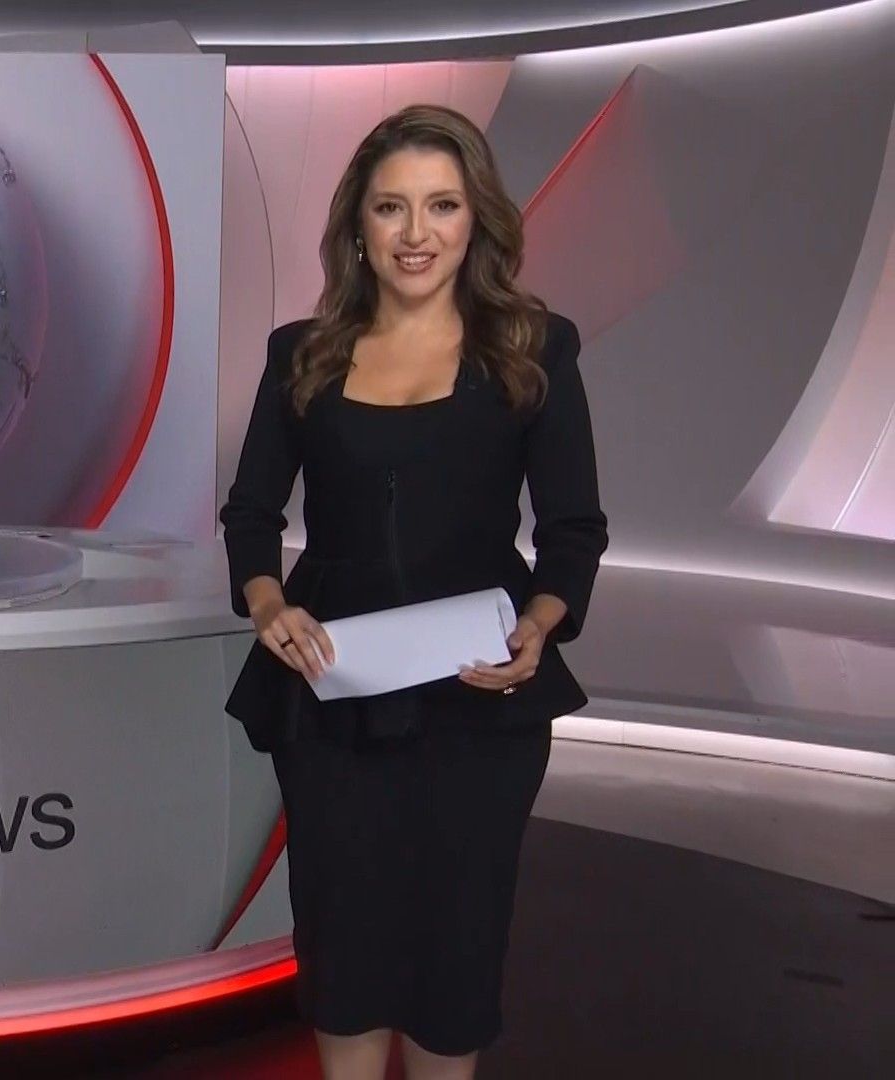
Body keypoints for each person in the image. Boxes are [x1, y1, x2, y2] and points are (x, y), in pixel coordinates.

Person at [219, 104, 609, 1080]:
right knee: (344, 954)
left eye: (442, 205)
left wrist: (540, 623)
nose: (416, 232)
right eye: (391, 207)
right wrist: (268, 605)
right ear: (358, 224)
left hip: (480, 704)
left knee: (453, 964)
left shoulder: (534, 347)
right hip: (336, 703)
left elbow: (572, 530)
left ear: (477, 219)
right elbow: (251, 515)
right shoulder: (301, 353)